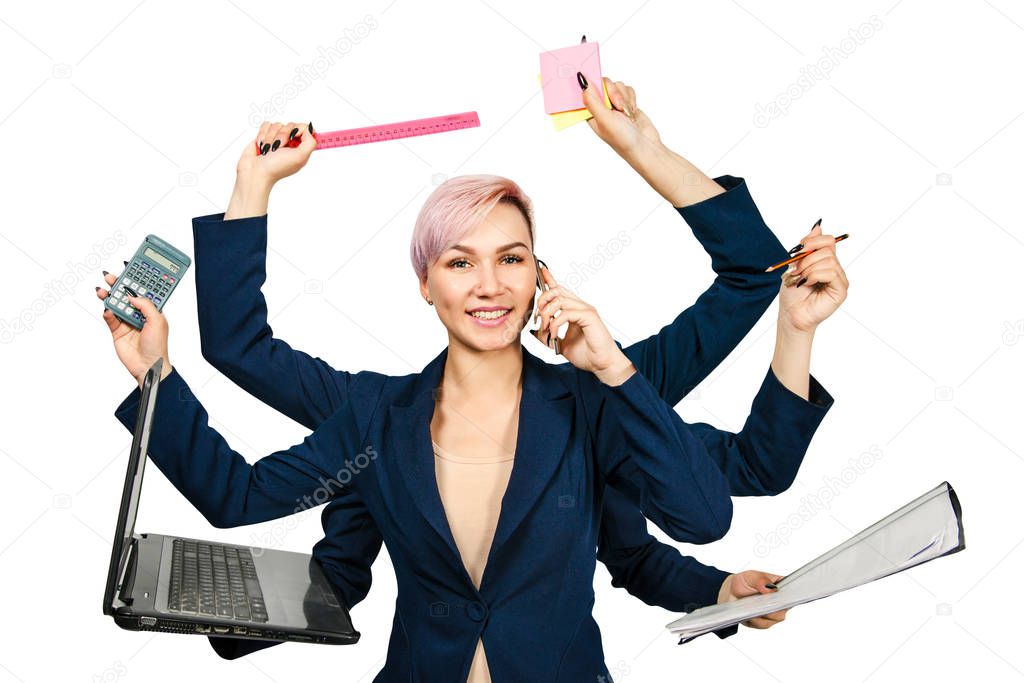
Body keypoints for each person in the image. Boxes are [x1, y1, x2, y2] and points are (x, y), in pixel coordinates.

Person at [99, 77, 848, 681]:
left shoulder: (602, 395)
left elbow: (681, 520)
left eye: (511, 257)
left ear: (539, 276)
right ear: (426, 283)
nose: (488, 284)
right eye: (459, 260)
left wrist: (641, 149)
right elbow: (239, 408)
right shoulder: (374, 413)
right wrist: (250, 187)